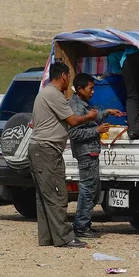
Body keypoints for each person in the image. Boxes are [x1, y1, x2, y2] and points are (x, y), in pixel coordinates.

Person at [28, 62, 98, 248]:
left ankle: (48, 237)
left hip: (41, 149)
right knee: (57, 195)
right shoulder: (54, 95)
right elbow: (73, 121)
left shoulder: (44, 94)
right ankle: (65, 238)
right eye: (69, 77)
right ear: (64, 76)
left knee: (44, 197)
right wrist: (90, 117)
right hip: (46, 150)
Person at [68, 73, 123, 238]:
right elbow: (75, 133)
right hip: (86, 152)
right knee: (87, 190)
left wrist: (107, 112)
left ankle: (85, 224)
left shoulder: (82, 104)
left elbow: (91, 118)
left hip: (90, 152)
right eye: (90, 89)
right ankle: (81, 226)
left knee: (93, 189)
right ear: (80, 89)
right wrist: (97, 131)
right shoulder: (76, 107)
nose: (93, 92)